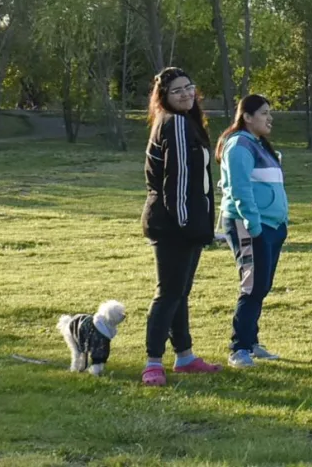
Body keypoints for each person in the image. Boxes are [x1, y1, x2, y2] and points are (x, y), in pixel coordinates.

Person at [140, 67, 222, 386]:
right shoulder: (174, 124)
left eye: (189, 87)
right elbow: (178, 182)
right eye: (178, 91)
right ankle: (152, 362)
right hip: (173, 225)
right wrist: (189, 225)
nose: (187, 93)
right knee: (168, 293)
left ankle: (184, 356)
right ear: (164, 98)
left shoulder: (184, 123)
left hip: (183, 223)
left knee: (179, 293)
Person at [216, 95, 289, 368]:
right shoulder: (238, 145)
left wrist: (282, 221)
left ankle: (252, 341)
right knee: (252, 285)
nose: (269, 118)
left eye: (270, 113)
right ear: (247, 117)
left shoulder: (260, 146)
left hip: (272, 226)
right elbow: (239, 190)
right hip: (251, 226)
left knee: (262, 285)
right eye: (264, 113)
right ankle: (239, 348)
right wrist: (254, 225)